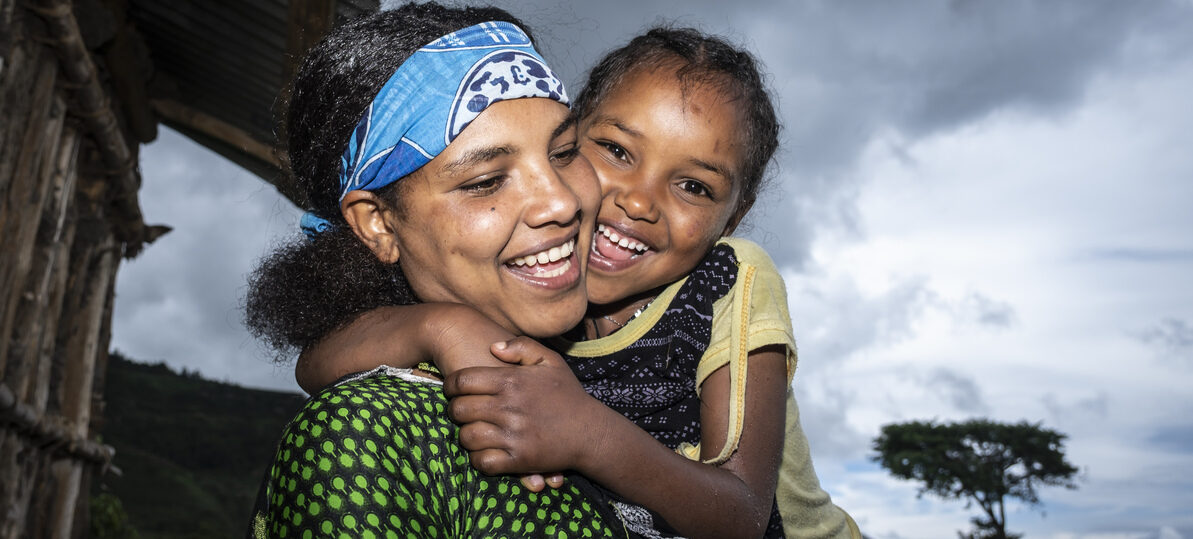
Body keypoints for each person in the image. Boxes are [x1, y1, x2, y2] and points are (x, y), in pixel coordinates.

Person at [300, 26, 861, 539]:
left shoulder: (725, 283)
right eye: (613, 151)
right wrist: (442, 327)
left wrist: (588, 435)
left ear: (733, 218)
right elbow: (315, 364)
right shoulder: (523, 293)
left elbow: (742, 515)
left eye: (694, 186)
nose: (638, 202)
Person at [245, 4, 635, 537]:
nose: (559, 202)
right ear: (379, 223)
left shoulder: (660, 334)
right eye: (485, 182)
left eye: (564, 151)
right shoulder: (364, 437)